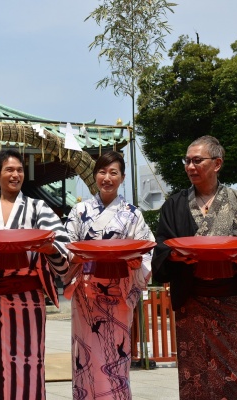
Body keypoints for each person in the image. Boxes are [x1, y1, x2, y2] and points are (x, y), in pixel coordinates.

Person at [152, 135, 237, 399]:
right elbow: (161, 245)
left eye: (197, 160)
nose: (190, 166)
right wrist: (173, 257)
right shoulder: (174, 205)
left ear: (217, 163)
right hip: (193, 300)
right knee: (195, 375)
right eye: (187, 161)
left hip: (232, 301)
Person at [0, 149, 70, 400]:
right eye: (9, 169)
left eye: (19, 170)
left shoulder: (38, 208)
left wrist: (49, 247)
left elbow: (62, 244)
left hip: (30, 297)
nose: (15, 174)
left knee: (31, 361)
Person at [64, 150, 154, 400]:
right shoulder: (80, 210)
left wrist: (137, 262)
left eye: (113, 173)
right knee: (86, 356)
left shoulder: (133, 214)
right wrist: (76, 257)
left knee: (116, 355)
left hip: (119, 293)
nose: (107, 177)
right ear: (94, 176)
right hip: (86, 294)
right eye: (102, 172)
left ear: (122, 177)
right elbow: (67, 246)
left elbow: (146, 249)